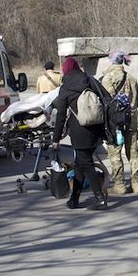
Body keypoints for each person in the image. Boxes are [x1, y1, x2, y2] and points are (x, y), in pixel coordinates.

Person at [51, 57, 109, 210]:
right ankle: (74, 199)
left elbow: (61, 116)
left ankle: (100, 198)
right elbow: (105, 99)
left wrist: (56, 138)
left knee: (86, 164)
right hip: (96, 128)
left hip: (79, 131)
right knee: (80, 164)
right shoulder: (90, 80)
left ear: (65, 69)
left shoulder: (66, 87)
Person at [100, 51, 138, 195]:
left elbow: (105, 101)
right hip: (131, 120)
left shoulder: (107, 78)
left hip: (115, 122)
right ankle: (136, 183)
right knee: (133, 151)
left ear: (111, 62)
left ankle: (119, 184)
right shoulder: (131, 78)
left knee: (115, 152)